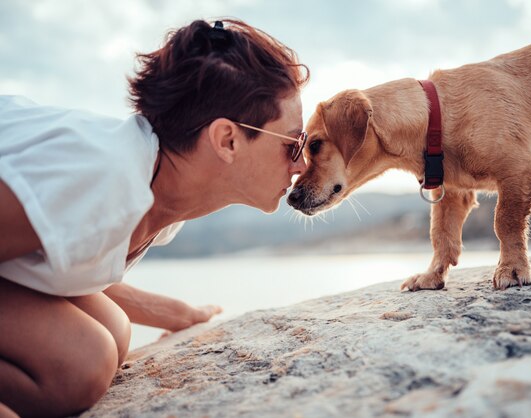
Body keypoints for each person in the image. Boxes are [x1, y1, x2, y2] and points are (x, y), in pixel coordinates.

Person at [0, 18, 309, 418]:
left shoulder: (157, 190)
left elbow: (55, 261)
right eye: (293, 142)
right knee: (78, 363)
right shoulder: (102, 177)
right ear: (227, 140)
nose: (302, 164)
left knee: (111, 329)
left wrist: (177, 313)